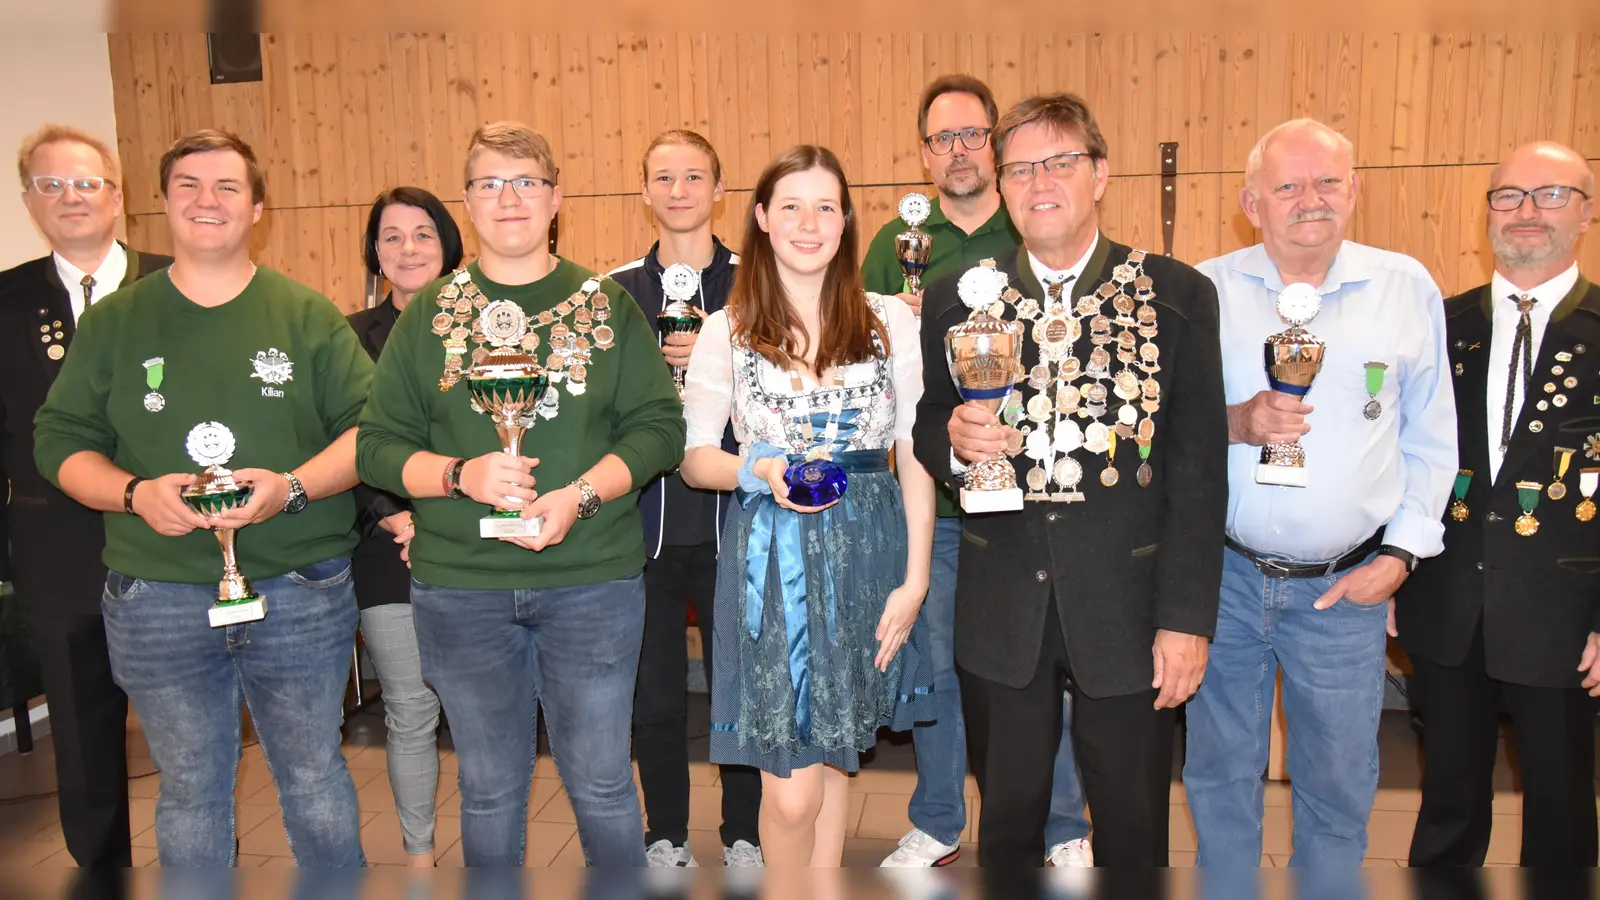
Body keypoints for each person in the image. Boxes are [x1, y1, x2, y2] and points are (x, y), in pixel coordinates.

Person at [33, 128, 371, 867]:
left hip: (300, 588)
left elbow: (368, 434)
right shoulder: (116, 322)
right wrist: (130, 493)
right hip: (155, 596)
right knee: (188, 788)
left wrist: (290, 488)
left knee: (313, 777)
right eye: (188, 185)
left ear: (258, 208)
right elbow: (58, 441)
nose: (206, 201)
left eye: (226, 187)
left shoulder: (307, 315)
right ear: (161, 204)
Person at [355, 121, 684, 867]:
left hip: (591, 585)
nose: (510, 199)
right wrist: (457, 475)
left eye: (527, 182)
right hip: (463, 590)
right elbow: (376, 447)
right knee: (489, 787)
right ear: (467, 201)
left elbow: (660, 430)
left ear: (556, 197)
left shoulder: (605, 306)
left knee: (601, 783)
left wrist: (579, 498)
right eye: (490, 184)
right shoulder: (427, 318)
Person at [914, 93, 1226, 869]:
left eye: (1060, 161)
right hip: (1002, 604)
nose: (1038, 181)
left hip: (1129, 608)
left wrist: (1188, 619)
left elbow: (1198, 471)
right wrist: (954, 442)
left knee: (1132, 827)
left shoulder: (1177, 296)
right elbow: (926, 425)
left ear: (1100, 174)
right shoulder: (959, 295)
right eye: (1019, 167)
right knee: (1011, 829)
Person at [1183, 118, 1457, 866]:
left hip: (1346, 589)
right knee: (1218, 776)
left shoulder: (1405, 288)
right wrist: (1237, 420)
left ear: (1355, 190)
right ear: (1251, 202)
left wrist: (1399, 556)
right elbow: (1165, 431)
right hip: (1228, 583)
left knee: (1338, 788)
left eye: (1328, 181)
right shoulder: (1204, 289)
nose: (1312, 199)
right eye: (1289, 186)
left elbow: (1433, 441)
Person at [680, 144, 935, 867]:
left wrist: (914, 579)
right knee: (791, 787)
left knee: (836, 749)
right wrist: (760, 469)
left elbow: (914, 450)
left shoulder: (889, 319)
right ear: (761, 218)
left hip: (871, 550)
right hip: (774, 560)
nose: (808, 221)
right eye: (790, 205)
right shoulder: (724, 328)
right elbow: (696, 458)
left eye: (826, 205)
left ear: (847, 219)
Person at [862, 75, 1093, 870]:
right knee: (934, 668)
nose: (957, 150)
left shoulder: (1035, 221)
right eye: (940, 138)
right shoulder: (895, 240)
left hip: (1028, 501)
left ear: (995, 144)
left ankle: (1061, 824)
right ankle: (937, 817)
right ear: (923, 153)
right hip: (930, 501)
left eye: (971, 135)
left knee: (1037, 669)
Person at [1396, 141, 1599, 867]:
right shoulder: (1438, 328)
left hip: (1566, 618)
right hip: (1447, 603)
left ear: (1587, 211)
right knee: (1447, 799)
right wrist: (1391, 568)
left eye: (1551, 195)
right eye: (1508, 196)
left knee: (1563, 802)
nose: (1526, 212)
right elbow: (1391, 458)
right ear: (1486, 213)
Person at [0, 123, 170, 868]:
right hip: (57, 555)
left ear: (118, 193)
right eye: (51, 184)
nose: (71, 197)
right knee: (83, 738)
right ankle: (103, 875)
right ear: (30, 200)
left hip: (174, 546)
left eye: (87, 182)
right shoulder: (3, 302)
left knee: (189, 741)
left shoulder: (179, 283)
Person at [606, 130, 764, 869]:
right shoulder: (611, 293)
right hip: (644, 528)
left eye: (693, 175)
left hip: (741, 519)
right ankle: (664, 833)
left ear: (719, 188)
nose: (678, 190)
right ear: (643, 191)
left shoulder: (760, 281)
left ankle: (745, 835)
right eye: (662, 177)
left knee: (739, 688)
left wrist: (717, 357)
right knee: (656, 695)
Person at [347, 186, 463, 867]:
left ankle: (491, 853)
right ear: (375, 252)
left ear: (448, 243)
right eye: (392, 236)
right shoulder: (347, 336)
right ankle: (419, 859)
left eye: (423, 233)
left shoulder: (490, 325)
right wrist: (395, 517)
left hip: (480, 541)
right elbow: (346, 441)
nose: (409, 248)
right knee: (411, 710)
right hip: (387, 547)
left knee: (484, 712)